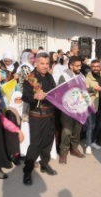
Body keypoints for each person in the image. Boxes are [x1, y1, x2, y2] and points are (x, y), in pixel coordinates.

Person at [22, 52, 57, 186]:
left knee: (48, 140)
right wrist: (35, 97)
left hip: (50, 114)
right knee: (36, 143)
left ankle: (44, 164)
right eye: (42, 63)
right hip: (37, 116)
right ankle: (27, 170)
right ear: (36, 63)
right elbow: (25, 96)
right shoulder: (31, 78)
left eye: (47, 63)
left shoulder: (49, 76)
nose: (44, 66)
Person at [57, 56, 86, 164]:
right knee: (66, 131)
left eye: (80, 65)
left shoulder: (81, 76)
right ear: (71, 66)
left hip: (79, 108)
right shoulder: (64, 76)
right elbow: (60, 92)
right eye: (77, 66)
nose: (79, 67)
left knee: (77, 130)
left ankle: (74, 148)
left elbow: (84, 90)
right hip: (67, 109)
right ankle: (63, 152)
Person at [4, 91, 25, 166]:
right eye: (16, 99)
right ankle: (12, 155)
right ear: (13, 99)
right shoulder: (10, 110)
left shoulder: (24, 107)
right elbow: (11, 123)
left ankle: (20, 153)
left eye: (20, 99)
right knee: (13, 136)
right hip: (12, 129)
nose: (19, 101)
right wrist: (18, 130)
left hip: (21, 128)